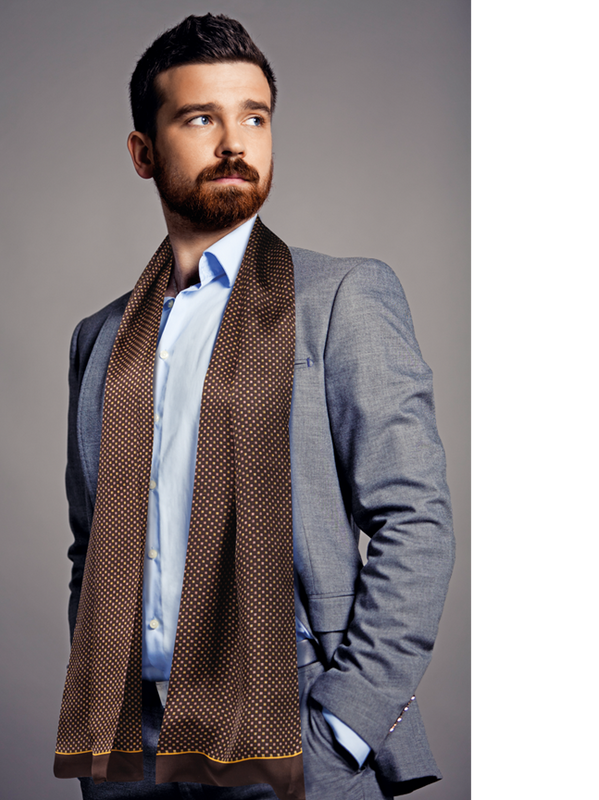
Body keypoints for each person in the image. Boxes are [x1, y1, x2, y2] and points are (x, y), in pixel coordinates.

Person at [54, 14, 454, 800]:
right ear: (143, 152)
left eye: (255, 117)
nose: (235, 142)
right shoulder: (100, 339)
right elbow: (89, 548)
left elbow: (417, 523)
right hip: (134, 748)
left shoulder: (340, 299)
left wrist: (342, 730)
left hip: (291, 731)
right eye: (201, 119)